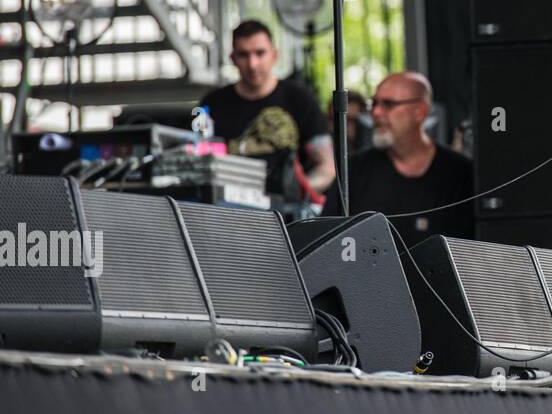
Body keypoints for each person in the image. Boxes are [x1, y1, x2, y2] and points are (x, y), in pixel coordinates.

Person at [199, 19, 335, 214]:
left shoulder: (299, 98)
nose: (252, 64)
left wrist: (293, 196)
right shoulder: (213, 103)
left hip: (289, 216)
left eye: (260, 53)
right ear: (232, 58)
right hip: (229, 213)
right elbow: (197, 162)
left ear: (274, 55)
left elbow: (327, 167)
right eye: (244, 55)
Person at [344, 72, 474, 249]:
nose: (375, 112)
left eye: (388, 104)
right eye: (374, 103)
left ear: (420, 111)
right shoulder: (353, 169)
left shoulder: (461, 173)